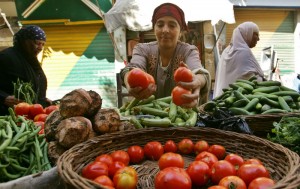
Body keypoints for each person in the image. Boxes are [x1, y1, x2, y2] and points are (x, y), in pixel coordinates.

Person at [120, 3, 211, 108]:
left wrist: (197, 81)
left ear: (180, 31)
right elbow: (132, 68)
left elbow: (199, 72)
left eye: (172, 25)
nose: (165, 30)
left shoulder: (189, 51)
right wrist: (128, 80)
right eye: (160, 25)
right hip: (147, 118)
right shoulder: (142, 49)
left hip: (181, 119)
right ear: (154, 28)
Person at [0, 25, 52, 115]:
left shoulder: (31, 61)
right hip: (8, 115)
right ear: (25, 42)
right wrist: (3, 98)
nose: (40, 48)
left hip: (29, 116)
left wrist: (42, 100)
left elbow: (35, 85)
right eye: (37, 43)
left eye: (43, 44)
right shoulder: (6, 57)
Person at [213, 22, 265, 98]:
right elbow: (252, 80)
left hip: (222, 98)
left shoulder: (226, 51)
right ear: (247, 34)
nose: (258, 38)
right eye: (256, 34)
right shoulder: (243, 52)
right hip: (237, 101)